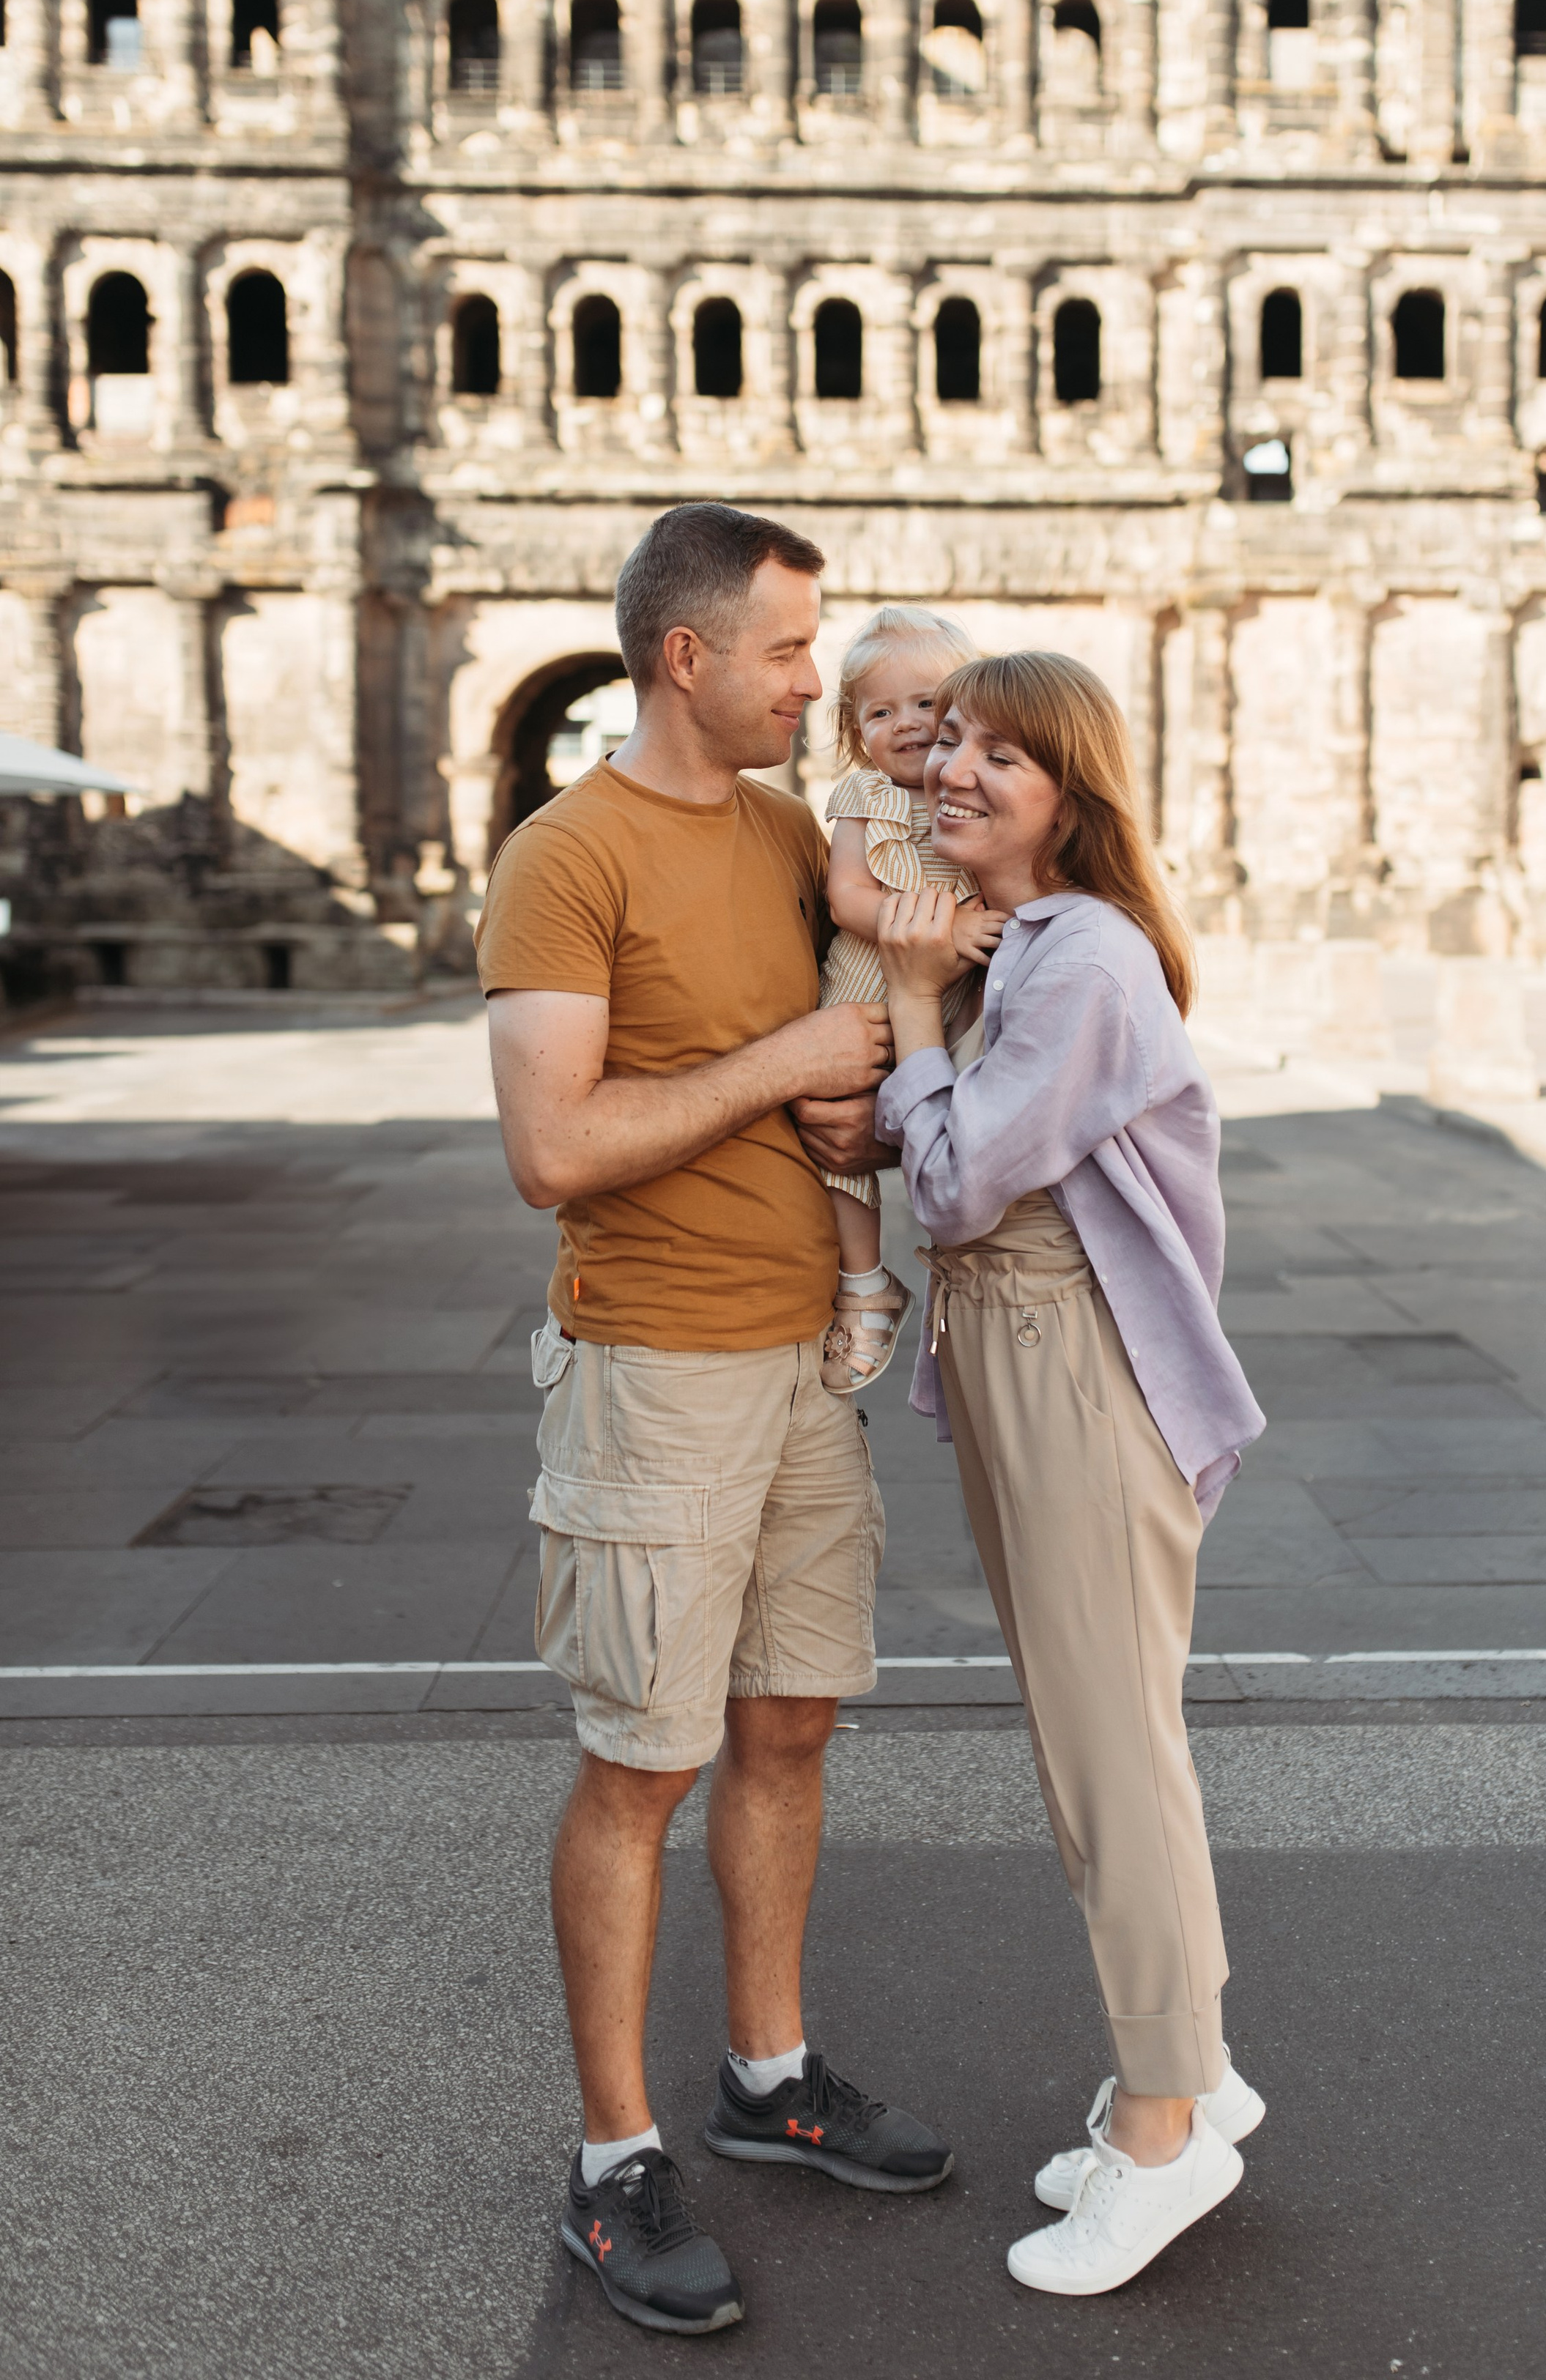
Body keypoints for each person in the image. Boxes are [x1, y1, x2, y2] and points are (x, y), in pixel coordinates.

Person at [476, 503, 953, 2340]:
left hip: (799, 1363)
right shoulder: (562, 854)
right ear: (685, 657)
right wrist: (789, 1069)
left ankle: (770, 2067)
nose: (811, 682)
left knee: (785, 1726)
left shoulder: (784, 830)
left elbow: (860, 1035)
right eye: (782, 651)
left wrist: (861, 1109)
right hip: (654, 1362)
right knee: (640, 1760)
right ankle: (613, 2156)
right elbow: (552, 1148)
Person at [873, 650, 1268, 2299]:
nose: (953, 771)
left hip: (1073, 1370)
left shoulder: (1081, 957)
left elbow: (958, 1182)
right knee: (1091, 1744)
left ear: (1069, 796)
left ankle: (1168, 2131)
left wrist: (904, 1019)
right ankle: (1185, 2072)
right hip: (1020, 1357)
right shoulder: (1016, 943)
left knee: (1115, 1761)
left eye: (999, 759)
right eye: (950, 740)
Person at [814, 604, 1007, 1395]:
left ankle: (962, 1274)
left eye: (927, 703)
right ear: (858, 733)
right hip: (866, 986)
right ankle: (864, 1284)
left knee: (960, 1132)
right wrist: (933, 930)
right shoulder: (866, 795)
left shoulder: (972, 786)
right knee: (830, 1139)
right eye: (882, 711)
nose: (909, 724)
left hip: (950, 1004)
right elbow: (847, 895)